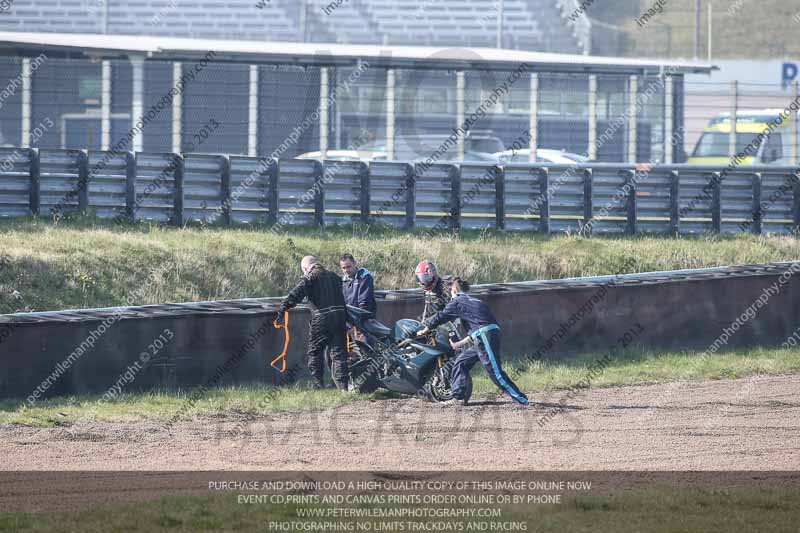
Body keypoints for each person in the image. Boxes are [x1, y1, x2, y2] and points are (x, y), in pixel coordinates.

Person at [416, 277, 528, 406]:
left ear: (454, 289)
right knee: (461, 362)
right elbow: (477, 329)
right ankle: (458, 397)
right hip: (484, 336)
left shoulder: (457, 302)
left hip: (485, 337)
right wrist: (460, 344)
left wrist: (426, 328)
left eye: (448, 290)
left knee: (495, 373)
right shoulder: (474, 301)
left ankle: (521, 399)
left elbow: (441, 316)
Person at [276, 256, 349, 391]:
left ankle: (318, 385)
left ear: (305, 268)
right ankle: (343, 387)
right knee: (339, 353)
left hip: (321, 318)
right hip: (340, 316)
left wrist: (283, 308)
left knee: (315, 352)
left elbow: (296, 293)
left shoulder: (310, 277)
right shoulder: (334, 276)